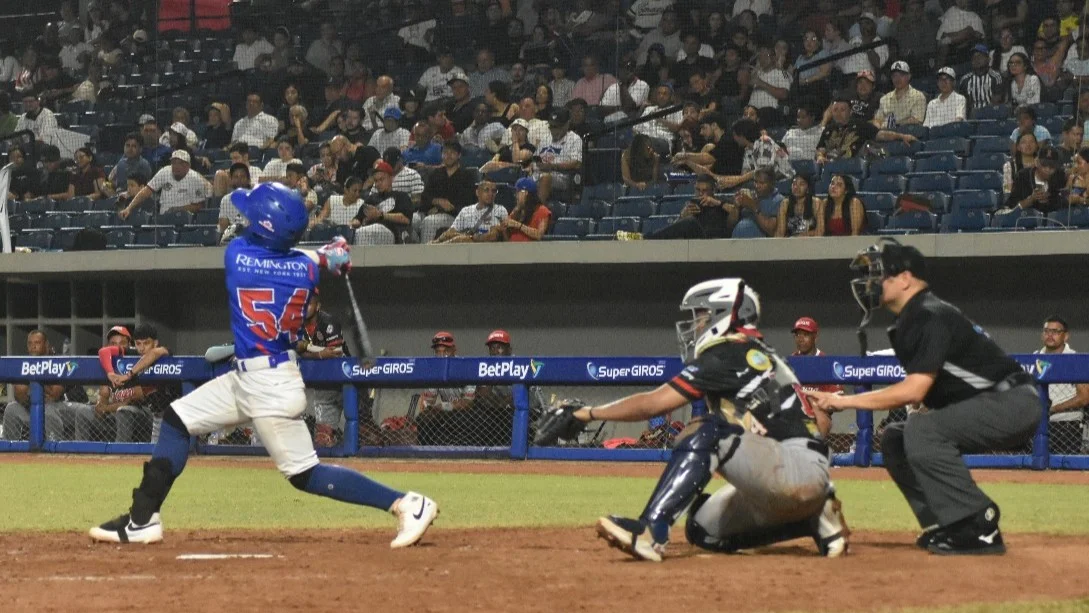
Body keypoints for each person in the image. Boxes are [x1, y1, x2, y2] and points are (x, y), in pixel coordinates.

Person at [88, 183, 439, 547]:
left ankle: (406, 503)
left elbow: (277, 249)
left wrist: (323, 253)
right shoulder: (306, 271)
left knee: (305, 474)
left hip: (267, 387)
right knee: (176, 422)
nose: (247, 222)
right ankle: (142, 519)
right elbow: (301, 256)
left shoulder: (237, 257)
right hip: (257, 376)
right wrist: (331, 254)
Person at [562, 277, 846, 562]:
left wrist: (587, 413)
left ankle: (651, 532)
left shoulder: (728, 352)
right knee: (702, 528)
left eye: (701, 315)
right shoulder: (753, 352)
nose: (696, 325)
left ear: (724, 315)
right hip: (795, 470)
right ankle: (814, 519)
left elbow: (652, 404)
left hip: (794, 465)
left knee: (706, 429)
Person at [807, 238, 1040, 555]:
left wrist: (842, 401)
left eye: (878, 274)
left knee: (921, 429)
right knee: (896, 437)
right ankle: (948, 523)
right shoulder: (909, 320)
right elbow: (928, 393)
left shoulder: (929, 314)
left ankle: (979, 523)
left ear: (905, 279)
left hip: (1012, 402)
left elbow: (913, 389)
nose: (868, 282)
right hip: (986, 403)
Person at [1033, 316, 1089, 455]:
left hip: (1066, 426)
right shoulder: (1035, 357)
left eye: (1055, 331)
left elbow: (1084, 397)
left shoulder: (1075, 359)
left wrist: (1054, 409)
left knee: (1065, 470)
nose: (1050, 335)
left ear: (1066, 336)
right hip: (1037, 425)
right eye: (1046, 331)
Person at [504, 177, 551, 242]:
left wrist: (518, 225)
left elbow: (539, 235)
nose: (515, 195)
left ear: (525, 193)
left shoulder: (542, 210)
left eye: (518, 192)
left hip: (531, 250)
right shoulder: (517, 210)